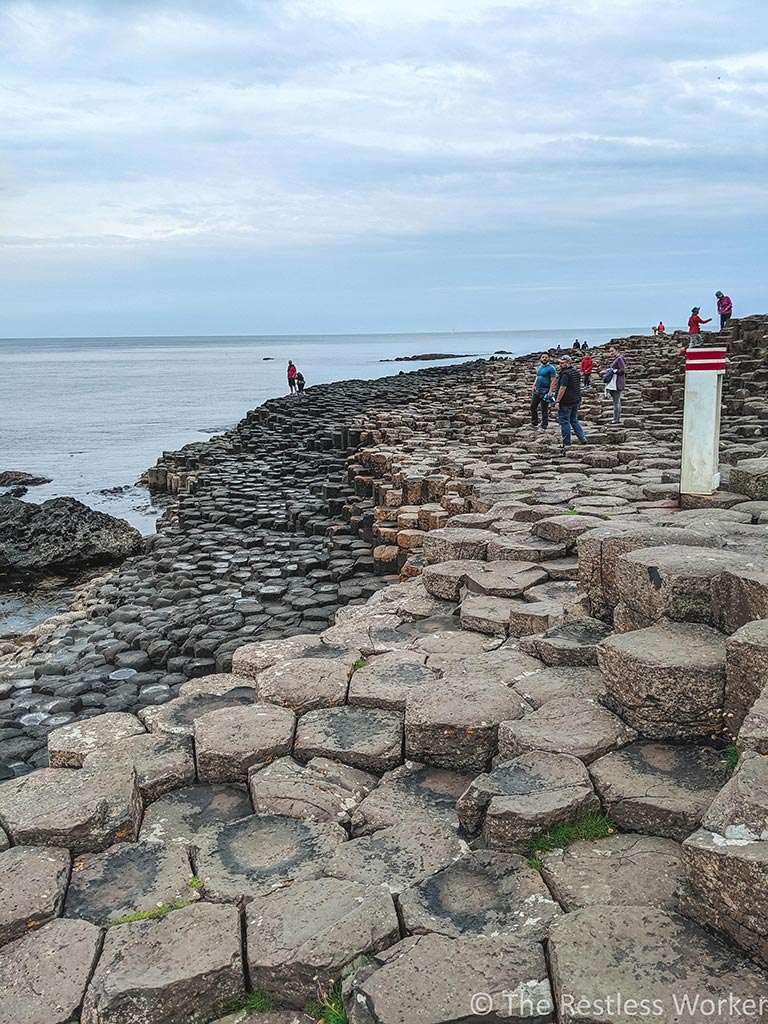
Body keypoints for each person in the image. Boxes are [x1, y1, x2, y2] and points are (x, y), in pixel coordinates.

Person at [553, 354, 587, 450]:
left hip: (566, 401)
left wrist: (557, 401)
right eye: (559, 363)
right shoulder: (576, 372)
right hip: (575, 400)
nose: (560, 365)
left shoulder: (565, 374)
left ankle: (566, 443)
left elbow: (562, 388)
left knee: (565, 421)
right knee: (574, 420)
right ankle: (582, 438)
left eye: (562, 363)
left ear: (568, 363)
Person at [530, 352, 558, 432]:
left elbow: (553, 381)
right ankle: (534, 422)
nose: (544, 358)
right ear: (540, 359)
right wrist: (534, 385)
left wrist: (550, 391)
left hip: (545, 391)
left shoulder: (551, 368)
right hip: (537, 391)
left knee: (544, 409)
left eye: (546, 357)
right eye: (543, 357)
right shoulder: (539, 367)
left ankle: (544, 425)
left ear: (549, 358)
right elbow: (537, 377)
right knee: (533, 406)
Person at [604, 345, 626, 425]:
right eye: (610, 351)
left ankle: (616, 420)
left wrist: (614, 371)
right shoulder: (618, 358)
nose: (611, 353)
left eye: (612, 351)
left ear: (617, 350)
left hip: (617, 383)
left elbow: (623, 370)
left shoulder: (619, 358)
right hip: (616, 383)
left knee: (616, 402)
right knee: (617, 402)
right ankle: (616, 419)